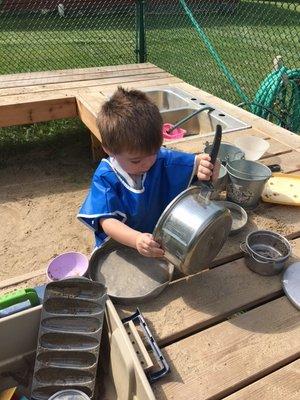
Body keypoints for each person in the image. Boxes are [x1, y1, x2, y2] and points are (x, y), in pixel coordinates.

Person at [77, 87, 218, 258]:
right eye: (136, 160)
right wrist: (136, 239)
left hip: (157, 240)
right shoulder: (106, 177)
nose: (148, 163)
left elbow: (195, 164)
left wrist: (206, 165)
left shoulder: (161, 158)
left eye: (154, 153)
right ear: (109, 150)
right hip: (122, 245)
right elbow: (107, 222)